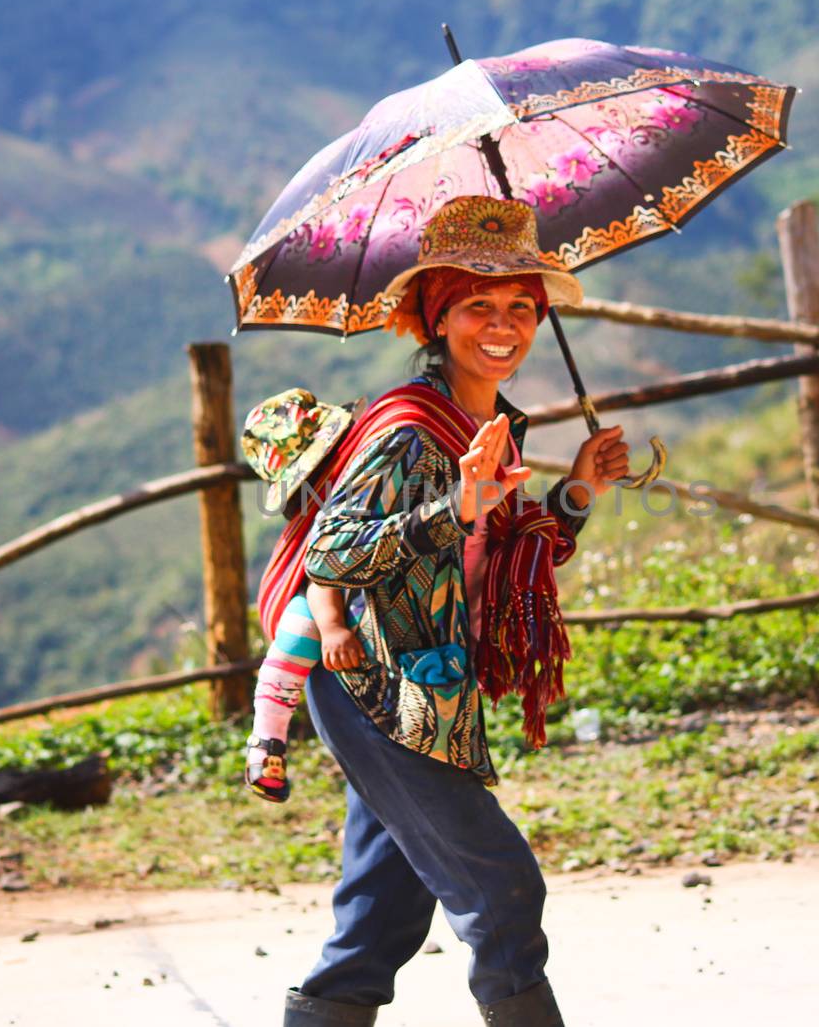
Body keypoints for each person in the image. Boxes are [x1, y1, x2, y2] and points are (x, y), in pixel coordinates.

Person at [260, 195, 629, 1026]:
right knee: (501, 885)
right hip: (371, 680)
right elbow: (332, 551)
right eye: (478, 305)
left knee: (377, 921)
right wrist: (453, 507)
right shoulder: (407, 427)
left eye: (521, 307)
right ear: (438, 315)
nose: (504, 325)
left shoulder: (487, 421)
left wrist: (575, 489)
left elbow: (496, 559)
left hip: (432, 677)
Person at [239, 389, 366, 803]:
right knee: (301, 630)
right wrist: (330, 626)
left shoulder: (360, 470)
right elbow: (318, 574)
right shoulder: (322, 508)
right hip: (317, 593)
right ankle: (267, 736)